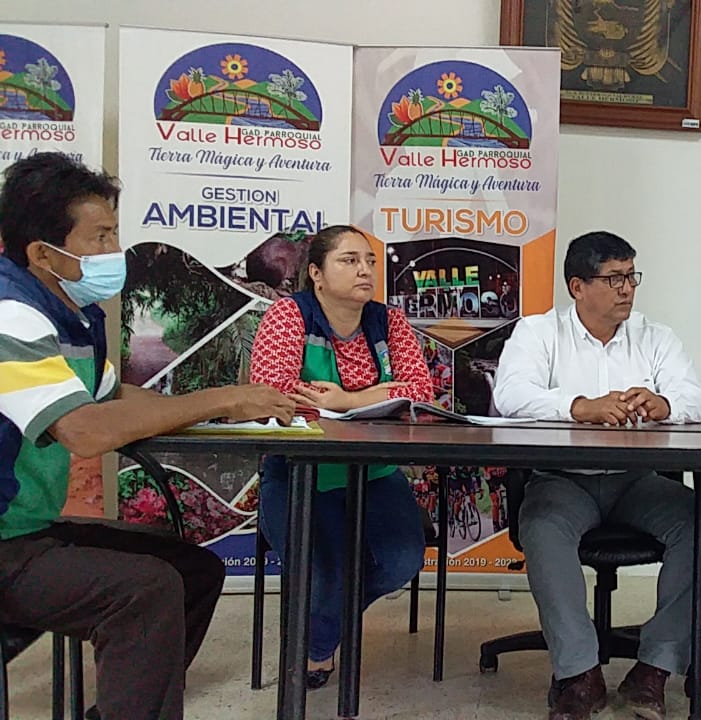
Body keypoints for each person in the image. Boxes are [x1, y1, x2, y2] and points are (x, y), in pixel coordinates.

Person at [0, 151, 294, 720]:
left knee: (194, 571)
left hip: (27, 530)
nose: (116, 249)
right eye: (100, 236)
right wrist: (222, 398)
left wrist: (227, 410)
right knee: (146, 589)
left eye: (115, 232)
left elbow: (113, 398)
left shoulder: (71, 314)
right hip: (7, 543)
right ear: (42, 253)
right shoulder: (13, 315)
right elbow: (83, 429)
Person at [492, 230, 701, 720]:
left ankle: (654, 669)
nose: (627, 288)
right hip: (562, 480)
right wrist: (578, 406)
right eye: (614, 278)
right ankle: (579, 675)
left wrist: (664, 404)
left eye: (632, 276)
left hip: (636, 480)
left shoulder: (656, 337)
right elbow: (509, 396)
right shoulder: (538, 333)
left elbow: (696, 400)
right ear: (577, 286)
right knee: (542, 527)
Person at [249, 225, 431, 689]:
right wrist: (379, 395)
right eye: (349, 261)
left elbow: (420, 391)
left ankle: (318, 634)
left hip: (374, 471)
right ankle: (318, 640)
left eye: (369, 261)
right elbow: (272, 392)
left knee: (402, 560)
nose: (365, 270)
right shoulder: (289, 315)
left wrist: (348, 400)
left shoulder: (389, 322)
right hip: (299, 473)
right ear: (316, 273)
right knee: (323, 577)